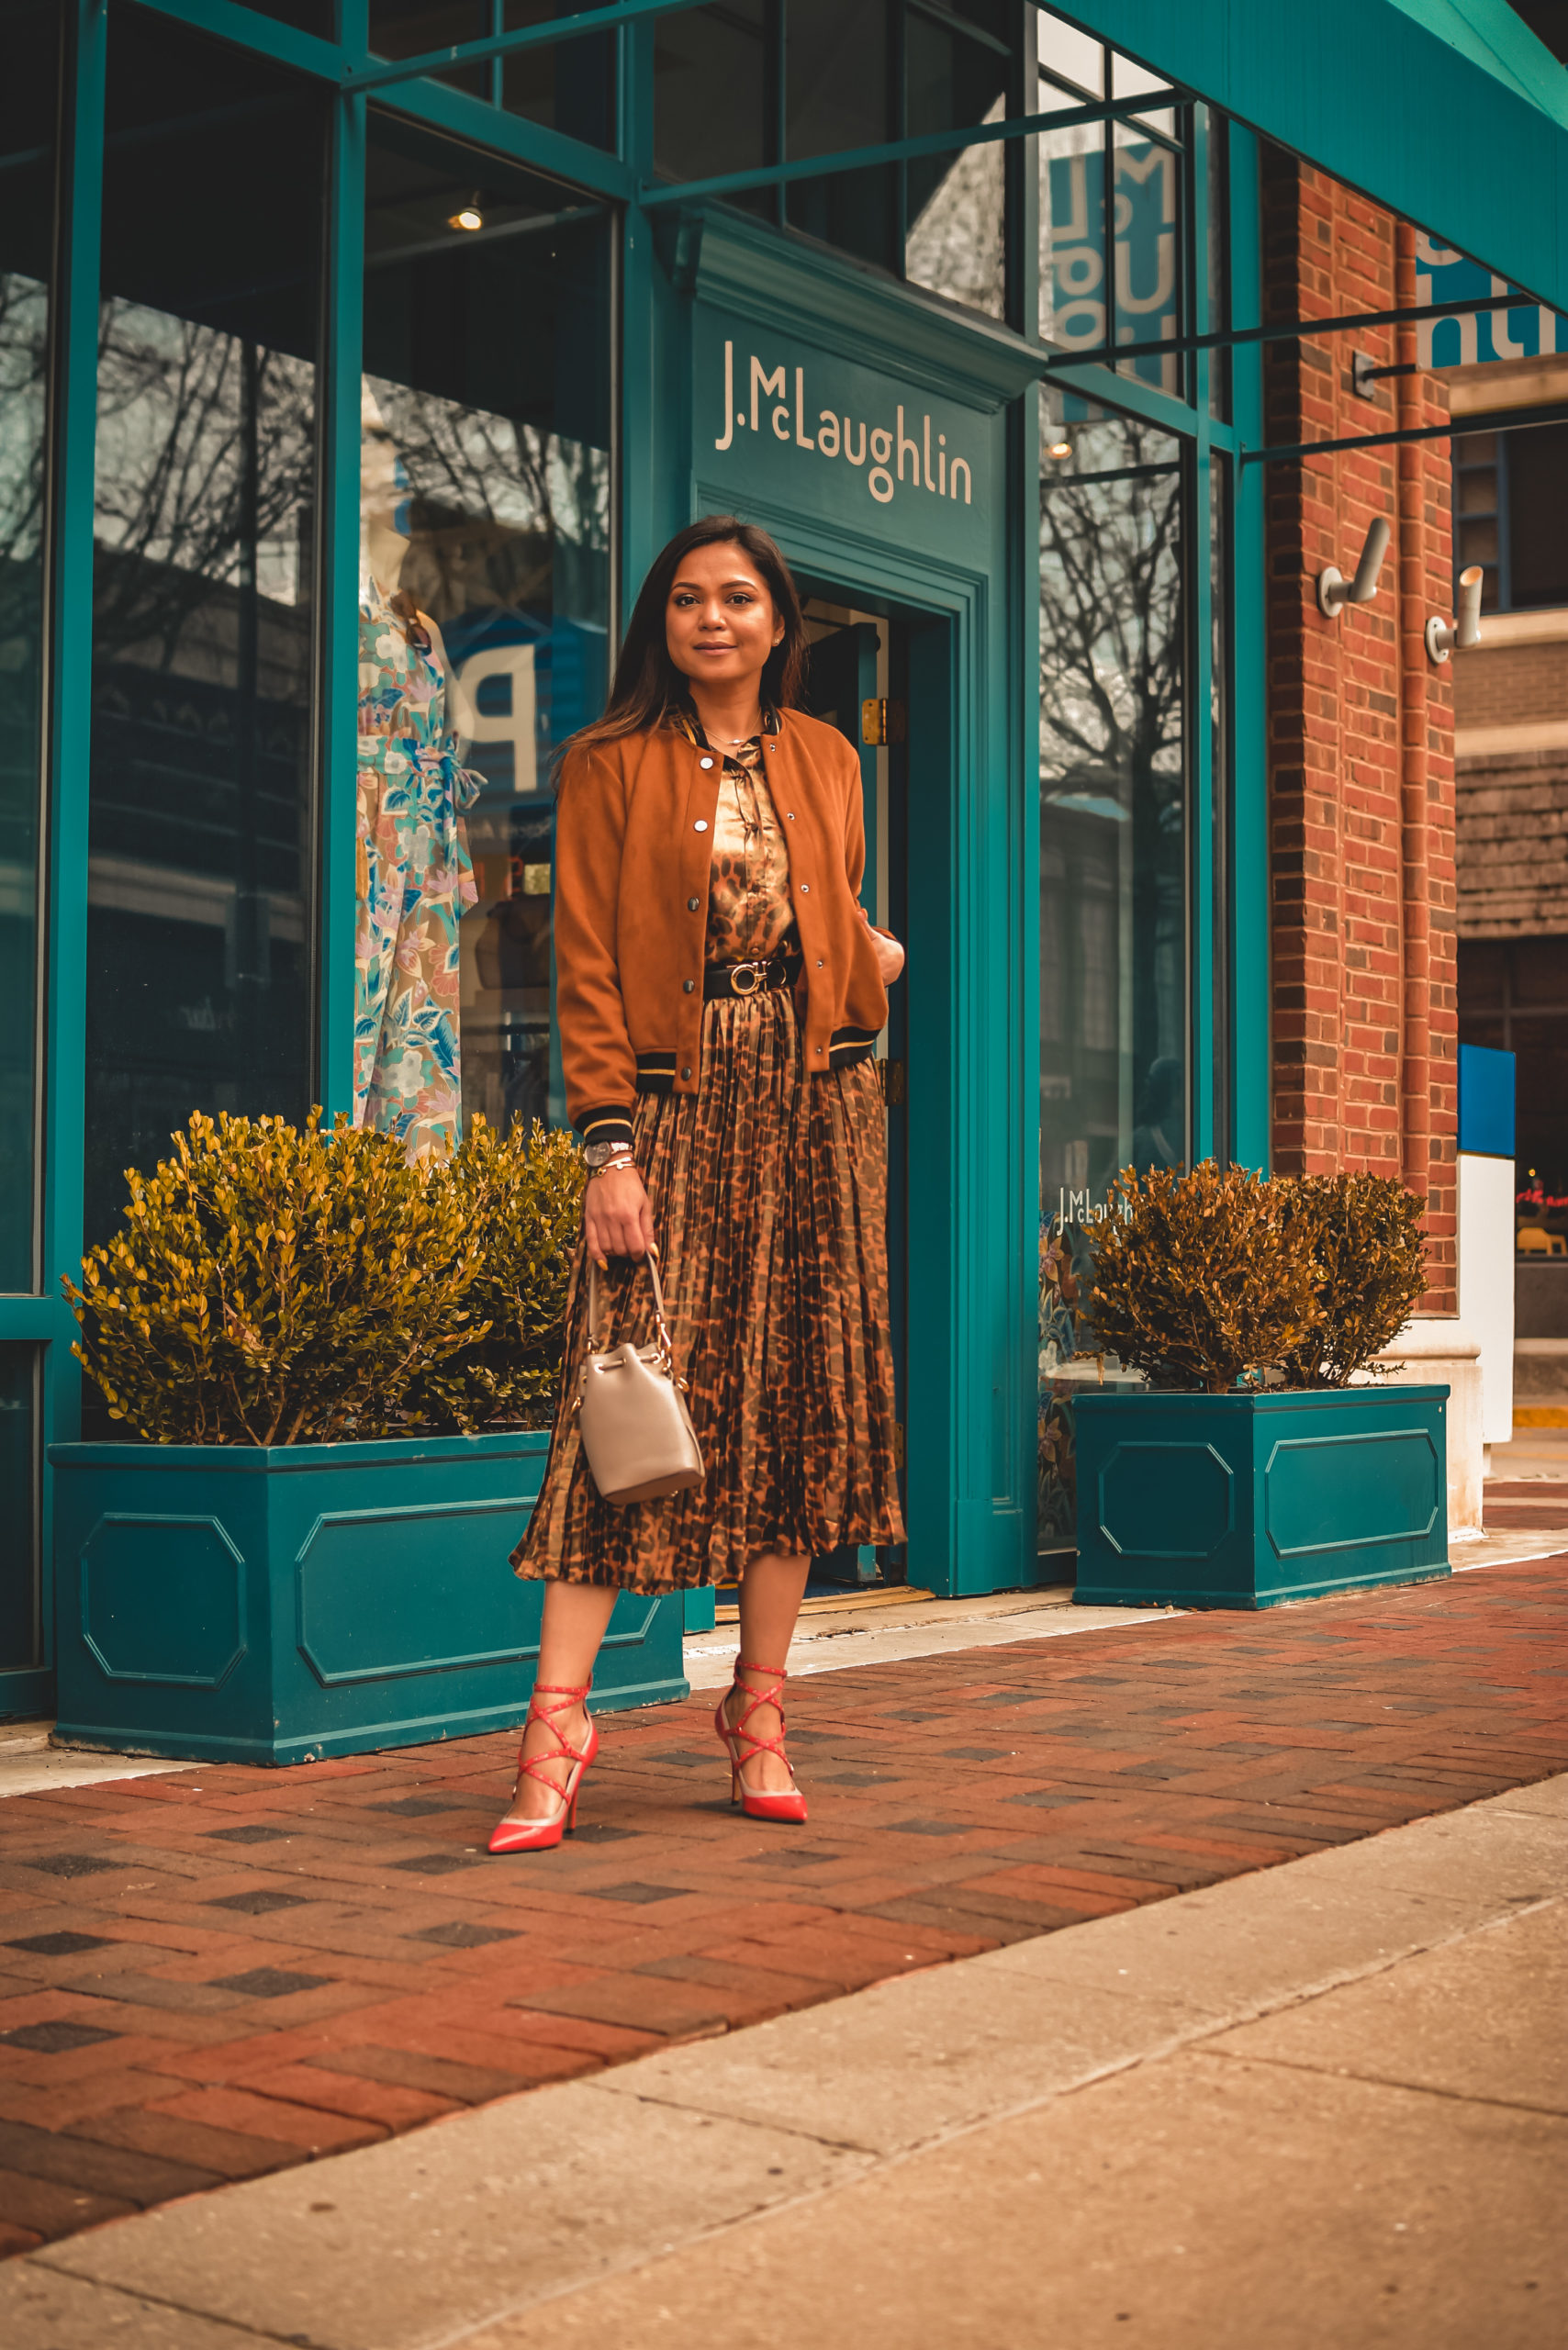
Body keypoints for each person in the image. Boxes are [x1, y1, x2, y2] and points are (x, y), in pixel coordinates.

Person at [489, 517, 906, 1853]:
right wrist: (607, 1145)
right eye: (686, 600)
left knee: (798, 1398)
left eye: (737, 598)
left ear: (780, 622)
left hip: (817, 1103)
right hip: (675, 1103)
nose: (710, 618)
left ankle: (761, 1714)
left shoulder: (830, 757)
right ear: (660, 625)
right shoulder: (606, 763)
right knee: (621, 1400)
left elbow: (835, 909)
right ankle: (554, 1740)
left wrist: (867, 956)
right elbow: (591, 965)